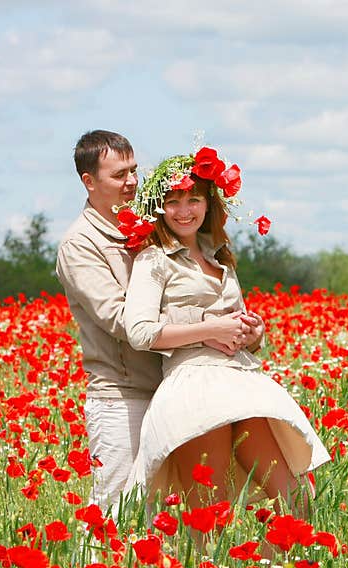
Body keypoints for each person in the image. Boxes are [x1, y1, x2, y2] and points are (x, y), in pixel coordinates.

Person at [120, 146, 331, 524]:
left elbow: (239, 321)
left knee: (298, 501)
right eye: (173, 201)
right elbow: (139, 332)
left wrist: (254, 331)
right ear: (159, 208)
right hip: (194, 387)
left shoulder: (219, 256)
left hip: (242, 380)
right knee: (211, 518)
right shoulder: (154, 258)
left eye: (193, 199)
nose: (184, 210)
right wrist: (210, 330)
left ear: (208, 203)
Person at [56, 130, 236, 516]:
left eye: (134, 171)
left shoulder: (148, 226)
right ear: (89, 182)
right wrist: (209, 326)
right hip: (123, 395)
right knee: (116, 510)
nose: (132, 182)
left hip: (171, 389)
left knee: (165, 514)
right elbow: (123, 321)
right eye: (119, 175)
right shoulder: (81, 244)